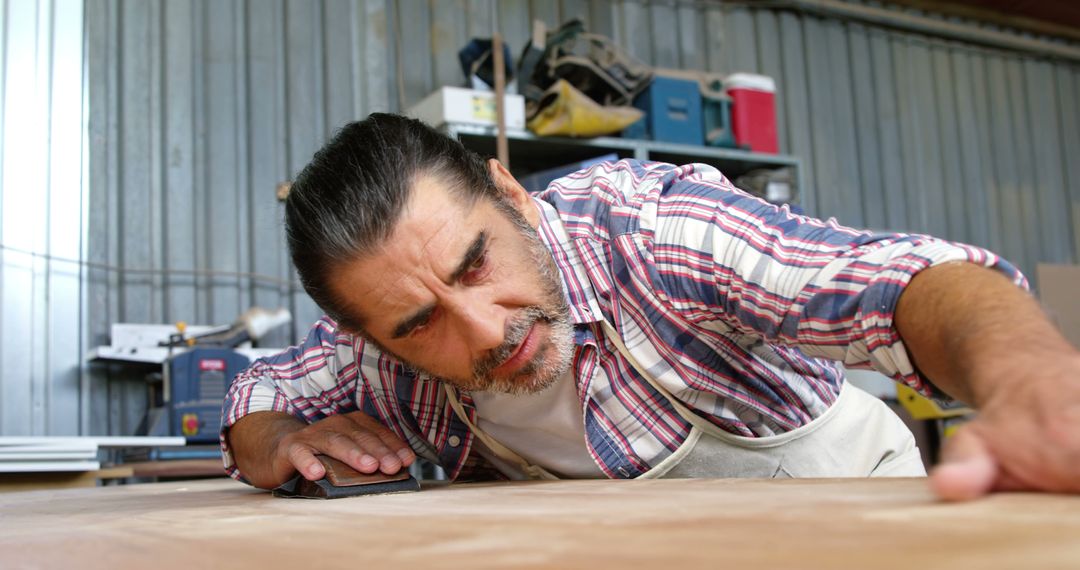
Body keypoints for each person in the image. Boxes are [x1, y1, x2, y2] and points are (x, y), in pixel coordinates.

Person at [222, 113, 1080, 500]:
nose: (487, 330)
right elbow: (257, 399)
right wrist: (280, 443)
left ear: (512, 196)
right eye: (420, 326)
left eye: (476, 265)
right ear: (367, 335)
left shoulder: (652, 229)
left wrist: (1025, 372)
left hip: (854, 508)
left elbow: (896, 282)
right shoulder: (367, 352)